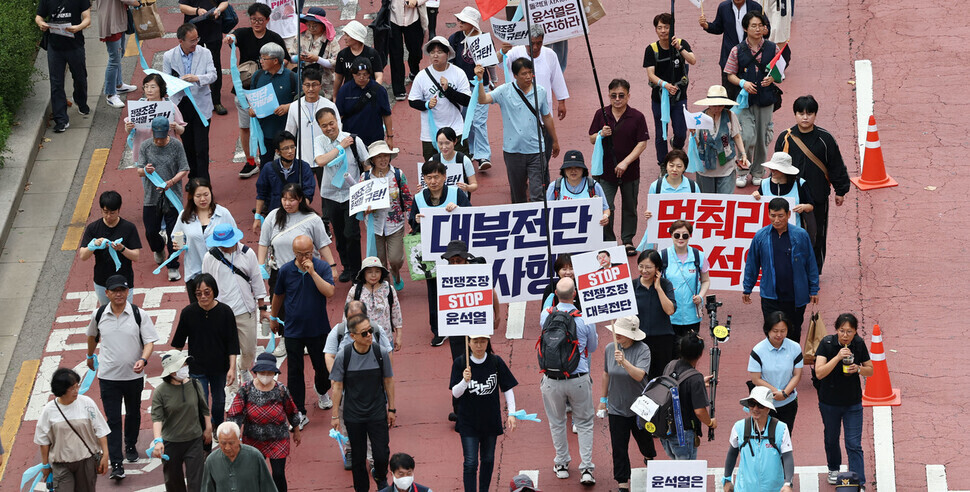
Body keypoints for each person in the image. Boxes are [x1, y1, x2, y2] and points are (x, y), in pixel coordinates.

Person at [85, 273, 159, 480]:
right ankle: (117, 463)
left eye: (123, 290)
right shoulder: (99, 314)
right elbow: (92, 336)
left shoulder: (138, 314)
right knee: (114, 420)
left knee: (134, 414)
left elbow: (150, 341)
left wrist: (143, 360)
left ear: (128, 292)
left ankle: (131, 444)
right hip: (108, 377)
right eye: (115, 291)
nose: (119, 294)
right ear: (106, 293)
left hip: (133, 377)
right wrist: (90, 356)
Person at [775, 95, 851, 273]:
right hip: (790, 199)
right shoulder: (785, 138)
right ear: (795, 114)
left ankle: (814, 271)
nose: (805, 117)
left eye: (809, 113)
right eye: (801, 113)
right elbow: (776, 167)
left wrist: (841, 190)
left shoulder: (826, 139)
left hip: (817, 197)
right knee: (786, 234)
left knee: (816, 235)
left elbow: (836, 165)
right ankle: (790, 269)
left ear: (815, 115)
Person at [474, 60, 560, 203]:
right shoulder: (504, 91)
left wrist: (555, 140)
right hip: (513, 151)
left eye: (530, 72)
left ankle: (539, 223)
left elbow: (547, 117)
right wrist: (480, 80)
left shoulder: (540, 91)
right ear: (515, 75)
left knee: (538, 194)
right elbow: (483, 99)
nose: (528, 76)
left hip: (536, 150)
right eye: (523, 73)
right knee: (518, 194)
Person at [539, 277, 598, 485]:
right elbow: (591, 348)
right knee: (584, 423)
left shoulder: (545, 317)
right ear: (575, 294)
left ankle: (562, 463)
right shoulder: (584, 319)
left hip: (551, 378)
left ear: (555, 294)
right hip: (578, 377)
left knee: (557, 422)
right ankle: (587, 469)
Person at [271, 235, 336, 420]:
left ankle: (322, 390)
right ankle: (299, 410)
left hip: (318, 328)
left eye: (307, 253)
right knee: (294, 371)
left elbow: (330, 292)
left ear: (313, 250)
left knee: (323, 369)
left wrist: (313, 273)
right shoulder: (285, 270)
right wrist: (274, 317)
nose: (304, 257)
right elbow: (278, 296)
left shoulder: (322, 267)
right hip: (293, 330)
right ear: (294, 253)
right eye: (300, 254)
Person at [324, 301, 394, 469]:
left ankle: (373, 461)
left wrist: (391, 405)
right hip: (348, 392)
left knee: (375, 432)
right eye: (351, 318)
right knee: (348, 424)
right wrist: (337, 376)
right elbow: (329, 355)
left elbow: (388, 355)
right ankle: (351, 451)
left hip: (372, 390)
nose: (368, 334)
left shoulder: (376, 331)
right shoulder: (339, 332)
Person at [408, 162, 471, 347]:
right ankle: (439, 330)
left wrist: (458, 209)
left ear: (444, 176)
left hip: (457, 255)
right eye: (429, 178)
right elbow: (413, 222)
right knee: (434, 292)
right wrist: (416, 220)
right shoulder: (419, 198)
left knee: (459, 289)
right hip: (431, 255)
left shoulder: (456, 194)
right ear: (424, 179)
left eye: (436, 177)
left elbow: (471, 214)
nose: (433, 181)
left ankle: (462, 324)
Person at [225, 2, 291, 178]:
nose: (256, 23)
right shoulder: (244, 33)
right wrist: (230, 38)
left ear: (268, 20)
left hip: (269, 92)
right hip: (246, 90)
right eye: (253, 19)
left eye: (260, 20)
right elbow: (234, 36)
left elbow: (286, 60)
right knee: (245, 126)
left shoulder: (275, 38)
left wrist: (271, 72)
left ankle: (278, 160)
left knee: (271, 128)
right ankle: (250, 160)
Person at [742, 198, 819, 343]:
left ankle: (793, 364)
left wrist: (814, 289)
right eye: (772, 215)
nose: (776, 220)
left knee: (793, 333)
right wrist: (747, 288)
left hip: (795, 297)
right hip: (770, 297)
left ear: (789, 214)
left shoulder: (801, 235)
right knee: (772, 333)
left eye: (780, 216)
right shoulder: (761, 236)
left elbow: (810, 263)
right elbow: (752, 263)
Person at [171, 273, 240, 432]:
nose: (203, 297)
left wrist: (232, 368)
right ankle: (204, 430)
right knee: (200, 402)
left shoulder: (225, 312)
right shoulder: (188, 312)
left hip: (220, 367)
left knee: (219, 401)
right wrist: (174, 366)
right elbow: (179, 343)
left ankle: (217, 425)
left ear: (214, 291)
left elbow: (232, 342)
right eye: (198, 294)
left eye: (207, 292)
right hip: (197, 367)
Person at [202, 223, 268, 387]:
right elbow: (206, 286)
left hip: (245, 310)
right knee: (224, 354)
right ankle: (230, 392)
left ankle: (244, 368)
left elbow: (257, 280)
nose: (224, 247)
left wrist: (262, 308)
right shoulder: (209, 258)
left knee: (249, 350)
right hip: (220, 314)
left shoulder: (248, 254)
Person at [450, 334, 518, 492]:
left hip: (490, 420)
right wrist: (464, 381)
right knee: (471, 462)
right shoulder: (460, 363)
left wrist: (512, 413)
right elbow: (455, 393)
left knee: (487, 460)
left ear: (488, 342)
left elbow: (507, 387)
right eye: (475, 341)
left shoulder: (496, 362)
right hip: (468, 422)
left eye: (483, 341)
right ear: (469, 342)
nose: (479, 345)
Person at [227, 352, 302, 492]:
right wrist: (233, 435)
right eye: (263, 372)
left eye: (269, 372)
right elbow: (235, 413)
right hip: (253, 440)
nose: (266, 375)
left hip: (278, 439)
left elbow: (291, 410)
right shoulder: (246, 389)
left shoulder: (281, 390)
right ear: (256, 372)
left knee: (279, 474)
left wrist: (296, 430)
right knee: (254, 474)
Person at [588, 78, 648, 252]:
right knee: (607, 207)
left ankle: (628, 240)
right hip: (605, 172)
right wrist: (600, 133)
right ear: (608, 95)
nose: (617, 99)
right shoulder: (601, 114)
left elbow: (642, 143)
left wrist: (625, 162)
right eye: (613, 95)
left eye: (621, 95)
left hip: (630, 172)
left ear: (628, 96)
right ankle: (609, 241)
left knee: (630, 206)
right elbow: (592, 138)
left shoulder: (637, 116)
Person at [814, 313, 873, 488]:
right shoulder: (827, 344)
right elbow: (820, 372)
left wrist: (859, 369)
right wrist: (838, 357)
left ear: (855, 332)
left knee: (853, 443)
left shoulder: (859, 344)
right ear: (836, 329)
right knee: (831, 438)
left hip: (852, 403)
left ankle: (858, 482)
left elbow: (870, 370)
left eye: (850, 331)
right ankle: (833, 468)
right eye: (842, 330)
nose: (845, 335)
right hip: (829, 402)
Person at [596, 316, 654, 492]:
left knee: (645, 441)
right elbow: (606, 374)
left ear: (632, 335)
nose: (617, 335)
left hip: (639, 408)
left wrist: (624, 362)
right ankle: (622, 482)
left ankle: (649, 457)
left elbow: (639, 375)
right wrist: (603, 400)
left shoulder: (643, 350)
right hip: (616, 407)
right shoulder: (609, 349)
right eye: (616, 332)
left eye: (621, 333)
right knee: (619, 446)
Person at [312, 107, 369, 282]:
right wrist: (340, 147)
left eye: (331, 123)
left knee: (352, 233)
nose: (329, 128)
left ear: (337, 121)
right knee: (339, 233)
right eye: (324, 125)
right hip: (331, 194)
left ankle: (357, 270)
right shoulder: (320, 141)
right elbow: (320, 161)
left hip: (353, 193)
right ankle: (346, 266)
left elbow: (366, 165)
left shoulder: (353, 139)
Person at [725, 11, 781, 188]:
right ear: (745, 28)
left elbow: (780, 73)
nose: (758, 29)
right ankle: (742, 171)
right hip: (745, 101)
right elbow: (730, 74)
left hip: (766, 99)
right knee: (746, 136)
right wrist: (743, 83)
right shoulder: (737, 50)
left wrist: (772, 78)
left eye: (761, 25)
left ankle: (758, 172)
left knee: (763, 137)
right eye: (754, 26)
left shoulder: (773, 48)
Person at [499, 24, 568, 164]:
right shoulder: (514, 52)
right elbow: (498, 61)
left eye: (539, 43)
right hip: (519, 116)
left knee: (544, 156)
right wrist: (501, 51)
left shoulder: (550, 55)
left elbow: (557, 78)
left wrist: (561, 101)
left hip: (543, 114)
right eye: (532, 43)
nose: (535, 47)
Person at [34, 368, 110, 491]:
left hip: (86, 461)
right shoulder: (49, 410)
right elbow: (43, 440)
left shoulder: (87, 403)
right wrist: (45, 465)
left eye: (77, 386)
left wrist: (105, 455)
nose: (76, 391)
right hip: (61, 464)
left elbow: (101, 429)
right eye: (72, 388)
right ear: (62, 390)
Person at [258, 183, 334, 301]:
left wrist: (332, 267)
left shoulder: (313, 219)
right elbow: (263, 243)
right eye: (284, 199)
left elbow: (323, 244)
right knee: (279, 309)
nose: (287, 203)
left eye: (291, 200)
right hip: (280, 273)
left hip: (307, 272)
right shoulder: (273, 216)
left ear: (300, 199)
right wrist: (261, 266)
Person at [136, 115, 190, 282]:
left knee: (174, 233)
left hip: (172, 195)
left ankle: (173, 265)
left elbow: (184, 169)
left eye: (162, 137)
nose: (158, 141)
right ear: (152, 132)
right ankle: (158, 248)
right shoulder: (145, 146)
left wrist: (171, 182)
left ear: (168, 132)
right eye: (156, 137)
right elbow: (139, 170)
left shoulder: (176, 146)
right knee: (151, 231)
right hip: (152, 196)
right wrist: (146, 170)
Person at [150, 350, 212, 491]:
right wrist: (158, 440)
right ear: (172, 371)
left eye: (185, 365)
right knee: (173, 483)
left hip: (194, 440)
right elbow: (157, 418)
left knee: (197, 483)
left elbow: (204, 408)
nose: (186, 368)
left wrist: (208, 428)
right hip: (171, 444)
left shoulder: (195, 385)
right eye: (182, 365)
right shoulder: (160, 392)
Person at [163, 23, 217, 181]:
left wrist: (197, 78)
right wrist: (176, 83)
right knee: (188, 145)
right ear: (181, 41)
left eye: (197, 39)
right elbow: (166, 80)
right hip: (181, 105)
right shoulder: (169, 56)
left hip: (201, 104)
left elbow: (213, 75)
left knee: (201, 147)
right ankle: (193, 177)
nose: (196, 43)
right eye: (192, 40)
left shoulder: (205, 53)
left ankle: (204, 181)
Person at [643, 13, 697, 167]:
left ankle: (677, 149)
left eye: (666, 27)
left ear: (672, 28)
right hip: (660, 98)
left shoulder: (680, 43)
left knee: (680, 132)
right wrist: (664, 85)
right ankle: (662, 163)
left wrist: (679, 49)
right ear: (656, 30)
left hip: (680, 97)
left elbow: (692, 60)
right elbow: (650, 74)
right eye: (659, 28)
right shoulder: (651, 49)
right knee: (661, 134)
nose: (663, 31)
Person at [359, 140, 413, 290]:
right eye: (379, 156)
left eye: (386, 156)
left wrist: (412, 222)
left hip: (395, 224)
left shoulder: (397, 174)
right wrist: (365, 209)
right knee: (379, 261)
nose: (383, 160)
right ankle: (387, 286)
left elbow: (407, 199)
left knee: (395, 259)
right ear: (372, 160)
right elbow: (360, 202)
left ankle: (396, 273)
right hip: (374, 226)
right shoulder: (365, 178)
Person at [173, 177, 238, 299]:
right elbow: (176, 237)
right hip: (195, 273)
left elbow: (235, 240)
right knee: (198, 314)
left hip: (221, 272)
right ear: (191, 196)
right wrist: (177, 245)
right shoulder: (184, 216)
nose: (203, 199)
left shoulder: (223, 214)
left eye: (206, 194)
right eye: (198, 196)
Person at [409, 36, 472, 160]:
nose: (435, 55)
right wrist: (426, 104)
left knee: (460, 168)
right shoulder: (422, 76)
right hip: (430, 133)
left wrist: (448, 90)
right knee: (433, 171)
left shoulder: (458, 73)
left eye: (439, 52)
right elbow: (412, 101)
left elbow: (466, 100)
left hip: (456, 130)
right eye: (432, 52)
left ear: (448, 54)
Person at [722, 386, 795, 492]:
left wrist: (788, 483)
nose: (755, 409)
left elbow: (787, 456)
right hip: (744, 488)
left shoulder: (781, 428)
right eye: (752, 404)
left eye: (760, 405)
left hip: (773, 489)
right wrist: (727, 479)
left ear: (768, 408)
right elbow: (732, 453)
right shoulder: (739, 427)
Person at [35, 0, 92, 133]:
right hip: (54, 47)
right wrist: (41, 24)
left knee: (80, 77)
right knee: (56, 83)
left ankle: (81, 101)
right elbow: (39, 16)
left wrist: (78, 27)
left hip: (75, 45)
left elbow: (87, 19)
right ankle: (61, 119)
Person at [658, 333, 716, 460]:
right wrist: (710, 423)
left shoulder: (671, 365)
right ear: (700, 354)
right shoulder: (695, 378)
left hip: (666, 429)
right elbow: (700, 411)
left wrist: (700, 382)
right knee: (686, 471)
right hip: (682, 434)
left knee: (675, 465)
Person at [79, 190, 141, 306]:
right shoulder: (93, 228)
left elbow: (136, 256)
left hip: (124, 280)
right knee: (106, 315)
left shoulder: (129, 228)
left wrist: (122, 249)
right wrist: (94, 246)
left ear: (119, 210)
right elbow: (83, 255)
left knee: (126, 315)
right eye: (105, 212)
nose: (108, 216)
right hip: (102, 281)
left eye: (112, 213)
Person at [450, 6, 492, 170]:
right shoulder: (455, 38)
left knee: (479, 120)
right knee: (466, 119)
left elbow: (491, 64)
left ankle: (483, 156)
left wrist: (493, 80)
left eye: (463, 20)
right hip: (462, 86)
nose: (459, 22)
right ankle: (472, 150)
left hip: (480, 85)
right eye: (459, 20)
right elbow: (451, 62)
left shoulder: (483, 38)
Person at [749, 311, 803, 434]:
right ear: (767, 330)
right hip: (763, 404)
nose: (779, 334)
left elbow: (797, 374)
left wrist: (784, 393)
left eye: (783, 330)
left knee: (784, 438)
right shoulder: (758, 351)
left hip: (788, 402)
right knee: (763, 439)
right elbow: (756, 379)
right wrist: (776, 392)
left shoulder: (795, 348)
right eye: (775, 331)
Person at [253, 130, 317, 235]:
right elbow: (261, 194)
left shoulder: (304, 167)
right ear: (278, 151)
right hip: (276, 215)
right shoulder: (268, 168)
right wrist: (257, 217)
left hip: (298, 216)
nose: (291, 151)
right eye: (286, 148)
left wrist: (299, 212)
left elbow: (308, 193)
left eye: (292, 147)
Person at [285, 66, 340, 186]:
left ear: (320, 86)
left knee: (328, 192)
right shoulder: (294, 107)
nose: (311, 89)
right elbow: (289, 133)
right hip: (303, 159)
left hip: (326, 158)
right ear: (302, 86)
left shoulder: (330, 106)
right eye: (307, 85)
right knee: (302, 194)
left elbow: (338, 131)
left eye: (314, 85)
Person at [698, 0, 763, 100]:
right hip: (728, 58)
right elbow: (718, 28)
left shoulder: (756, 7)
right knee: (729, 98)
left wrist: (766, 31)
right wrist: (706, 25)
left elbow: (766, 28)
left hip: (750, 60)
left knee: (751, 97)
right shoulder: (723, 7)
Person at [691, 85, 749, 194]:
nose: (717, 108)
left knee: (726, 200)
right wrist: (693, 134)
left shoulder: (730, 115)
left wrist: (743, 153)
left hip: (726, 165)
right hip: (705, 168)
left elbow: (736, 136)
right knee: (707, 201)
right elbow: (696, 144)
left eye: (720, 105)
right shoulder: (699, 118)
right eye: (714, 105)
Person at [250, 42, 299, 166]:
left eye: (264, 58)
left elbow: (304, 101)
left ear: (275, 60)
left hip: (287, 132)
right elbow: (251, 97)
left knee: (289, 165)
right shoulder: (257, 76)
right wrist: (251, 108)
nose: (261, 61)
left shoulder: (293, 78)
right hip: (264, 131)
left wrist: (289, 107)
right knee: (266, 166)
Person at [124, 74, 187, 167]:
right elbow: (129, 131)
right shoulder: (138, 107)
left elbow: (181, 130)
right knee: (147, 179)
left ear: (160, 88)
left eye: (153, 87)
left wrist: (176, 127)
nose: (149, 90)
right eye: (146, 86)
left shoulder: (170, 106)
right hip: (144, 153)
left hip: (167, 153)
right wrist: (128, 127)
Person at [178, 0, 229, 115]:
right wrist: (197, 11)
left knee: (215, 64)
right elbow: (182, 7)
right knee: (192, 63)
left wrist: (218, 10)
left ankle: (216, 101)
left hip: (214, 29)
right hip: (192, 30)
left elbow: (224, 2)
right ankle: (195, 99)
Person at [662, 220, 711, 336]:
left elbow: (706, 281)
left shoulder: (699, 256)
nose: (681, 238)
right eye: (677, 235)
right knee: (671, 351)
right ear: (671, 235)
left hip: (692, 314)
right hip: (669, 314)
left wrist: (700, 296)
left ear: (690, 236)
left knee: (690, 350)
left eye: (685, 235)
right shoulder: (662, 256)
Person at [634, 249, 677, 379]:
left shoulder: (665, 284)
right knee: (641, 378)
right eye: (641, 266)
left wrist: (658, 288)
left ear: (657, 268)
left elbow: (670, 310)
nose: (644, 271)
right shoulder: (632, 285)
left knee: (661, 378)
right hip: (639, 340)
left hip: (662, 340)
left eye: (648, 267)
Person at [344, 257, 403, 351]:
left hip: (386, 339)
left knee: (386, 365)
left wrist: (399, 336)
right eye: (369, 272)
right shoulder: (355, 291)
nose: (374, 275)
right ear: (363, 274)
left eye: (377, 271)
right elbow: (346, 316)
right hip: (362, 341)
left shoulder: (388, 289)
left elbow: (396, 313)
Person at [545, 150, 610, 233]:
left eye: (577, 167)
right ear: (564, 170)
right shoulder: (555, 186)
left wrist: (605, 216)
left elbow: (606, 208)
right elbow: (546, 211)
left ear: (583, 169)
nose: (573, 171)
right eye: (569, 168)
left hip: (588, 232)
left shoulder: (593, 185)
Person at [335, 57, 395, 146]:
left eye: (365, 74)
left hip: (375, 139)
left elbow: (386, 114)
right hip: (351, 139)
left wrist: (390, 137)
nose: (362, 77)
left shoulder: (379, 90)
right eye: (358, 74)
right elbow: (338, 116)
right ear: (352, 73)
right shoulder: (344, 90)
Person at [201, 422, 277, 492]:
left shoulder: (255, 456)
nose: (227, 447)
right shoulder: (211, 461)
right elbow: (207, 489)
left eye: (231, 443)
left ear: (239, 438)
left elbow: (268, 486)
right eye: (223, 443)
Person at [752, 152, 815, 233]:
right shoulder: (764, 183)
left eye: (776, 169)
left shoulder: (800, 184)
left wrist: (803, 207)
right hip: (769, 232)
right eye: (771, 168)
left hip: (794, 232)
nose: (772, 171)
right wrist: (754, 196)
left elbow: (811, 206)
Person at [94, 0, 136, 110]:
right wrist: (139, 3)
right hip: (111, 22)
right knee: (114, 59)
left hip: (117, 20)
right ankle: (110, 94)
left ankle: (118, 85)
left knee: (119, 55)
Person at [643, 150, 699, 222]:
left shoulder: (693, 186)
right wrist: (648, 214)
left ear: (684, 168)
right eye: (671, 166)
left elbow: (697, 211)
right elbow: (652, 209)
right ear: (666, 166)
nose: (674, 169)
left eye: (679, 166)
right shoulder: (656, 186)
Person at [297, 7, 340, 100]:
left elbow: (335, 63)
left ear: (322, 25)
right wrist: (299, 58)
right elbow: (291, 56)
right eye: (309, 25)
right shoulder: (301, 36)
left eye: (314, 25)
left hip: (326, 84)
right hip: (305, 81)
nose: (311, 28)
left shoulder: (331, 41)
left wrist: (317, 59)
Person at [387, 0, 426, 100]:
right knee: (396, 54)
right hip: (393, 17)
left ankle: (414, 70)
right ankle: (398, 89)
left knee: (416, 50)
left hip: (413, 18)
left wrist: (417, 1)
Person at [333, 20, 385, 94]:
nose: (345, 38)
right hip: (349, 94)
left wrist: (373, 92)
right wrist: (335, 96)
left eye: (348, 35)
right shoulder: (342, 55)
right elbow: (338, 78)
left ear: (356, 37)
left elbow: (379, 76)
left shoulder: (372, 54)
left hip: (368, 93)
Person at [430, 128, 479, 196]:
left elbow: (474, 185)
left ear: (455, 141)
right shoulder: (432, 160)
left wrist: (467, 187)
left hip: (459, 201)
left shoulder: (464, 160)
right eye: (440, 143)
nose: (444, 147)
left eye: (447, 143)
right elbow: (426, 183)